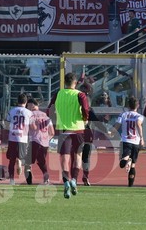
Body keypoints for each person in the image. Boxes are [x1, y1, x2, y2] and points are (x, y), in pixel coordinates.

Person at [48, 71, 90, 199]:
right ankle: (74, 180)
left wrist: (55, 121)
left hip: (63, 129)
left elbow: (49, 109)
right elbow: (85, 109)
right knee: (77, 155)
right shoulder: (80, 95)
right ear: (75, 83)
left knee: (64, 157)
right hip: (78, 129)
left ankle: (66, 180)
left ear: (64, 83)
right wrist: (85, 119)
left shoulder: (58, 94)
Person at [116, 95, 143, 187]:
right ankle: (130, 185)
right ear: (138, 105)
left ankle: (127, 160)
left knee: (122, 162)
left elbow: (117, 125)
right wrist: (142, 138)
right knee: (133, 165)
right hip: (136, 141)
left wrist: (111, 132)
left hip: (126, 141)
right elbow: (138, 125)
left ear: (128, 105)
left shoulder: (123, 114)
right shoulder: (139, 116)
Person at [6, 92, 32, 186]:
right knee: (23, 157)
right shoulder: (29, 113)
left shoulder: (12, 111)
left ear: (17, 101)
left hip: (13, 137)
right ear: (26, 102)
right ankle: (20, 162)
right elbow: (32, 126)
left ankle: (12, 180)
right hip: (23, 138)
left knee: (11, 160)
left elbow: (7, 123)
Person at [26, 98, 53, 185]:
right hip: (45, 142)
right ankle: (46, 177)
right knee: (41, 161)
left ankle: (29, 182)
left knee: (28, 162)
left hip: (34, 140)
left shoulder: (30, 115)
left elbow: (33, 127)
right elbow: (52, 132)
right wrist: (46, 139)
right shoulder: (45, 116)